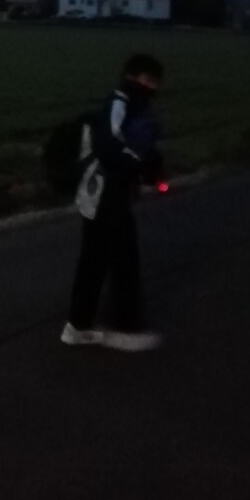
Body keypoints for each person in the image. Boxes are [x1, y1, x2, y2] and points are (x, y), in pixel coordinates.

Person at [61, 53, 166, 352]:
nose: (153, 87)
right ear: (132, 77)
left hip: (101, 194)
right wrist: (141, 164)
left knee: (94, 260)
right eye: (148, 79)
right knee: (124, 261)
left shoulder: (129, 106)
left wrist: (148, 165)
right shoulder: (118, 104)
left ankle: (78, 327)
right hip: (106, 194)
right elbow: (111, 148)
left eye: (155, 82)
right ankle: (126, 329)